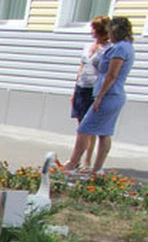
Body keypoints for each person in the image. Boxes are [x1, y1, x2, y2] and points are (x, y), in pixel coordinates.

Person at [62, 16, 136, 175]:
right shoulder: (126, 46)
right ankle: (97, 170)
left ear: (116, 31)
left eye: (111, 30)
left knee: (84, 129)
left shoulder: (119, 49)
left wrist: (100, 96)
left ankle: (72, 164)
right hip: (114, 95)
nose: (109, 34)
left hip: (110, 95)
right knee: (104, 132)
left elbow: (112, 75)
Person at [70, 15, 110, 171]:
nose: (91, 31)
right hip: (82, 86)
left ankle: (86, 160)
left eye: (94, 28)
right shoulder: (88, 46)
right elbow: (81, 67)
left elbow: (106, 72)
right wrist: (75, 89)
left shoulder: (108, 49)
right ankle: (78, 158)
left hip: (94, 89)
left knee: (89, 126)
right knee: (81, 125)